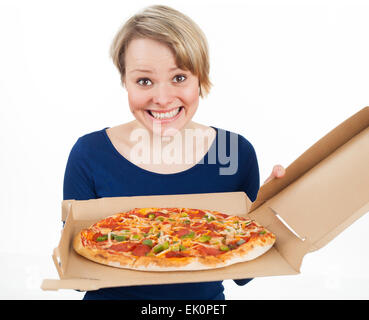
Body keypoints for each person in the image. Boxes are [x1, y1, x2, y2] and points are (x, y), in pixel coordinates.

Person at [63, 4, 285, 300]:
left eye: (179, 77)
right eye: (144, 81)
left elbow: (242, 275)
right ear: (124, 82)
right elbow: (78, 278)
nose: (163, 99)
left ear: (201, 79)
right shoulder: (89, 153)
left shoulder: (234, 153)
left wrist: (276, 213)